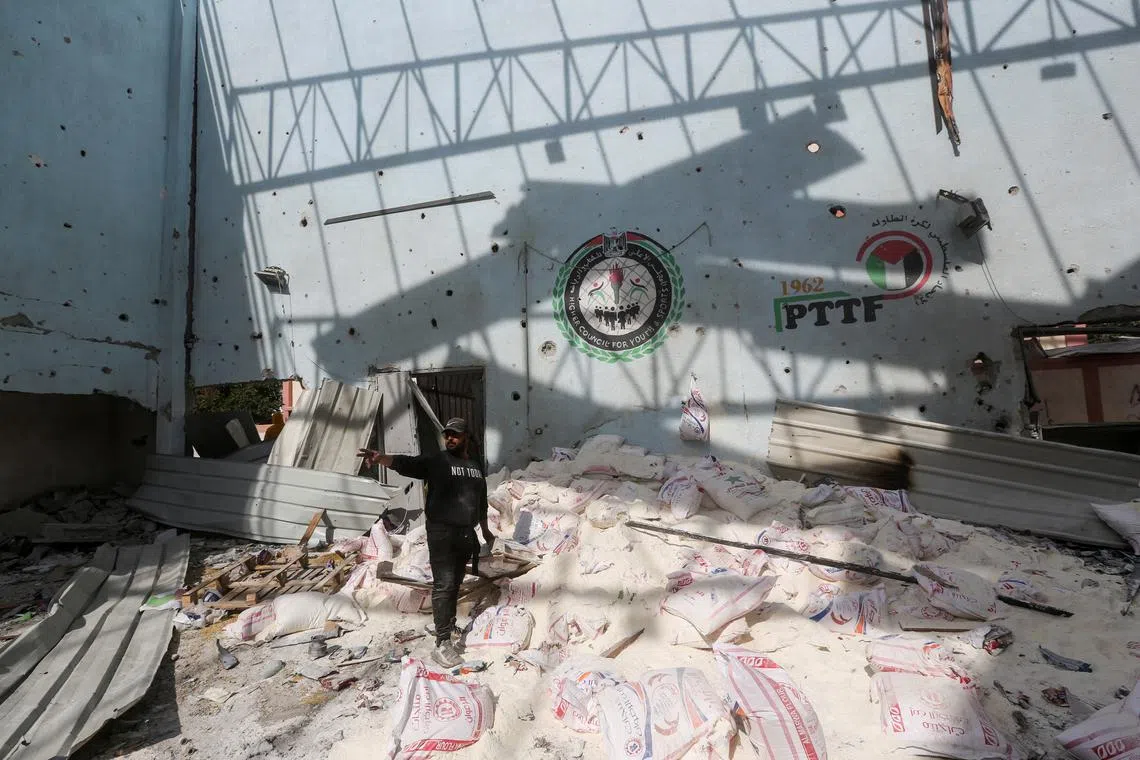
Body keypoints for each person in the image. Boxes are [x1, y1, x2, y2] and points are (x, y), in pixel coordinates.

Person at [358, 417, 494, 668]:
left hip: (466, 533)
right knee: (444, 583)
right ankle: (442, 643)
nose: (450, 438)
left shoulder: (475, 466)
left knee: (455, 582)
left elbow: (481, 501)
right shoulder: (438, 461)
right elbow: (408, 464)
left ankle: (447, 624)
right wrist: (381, 458)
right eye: (447, 435)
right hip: (442, 532)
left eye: (455, 434)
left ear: (466, 437)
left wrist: (485, 531)